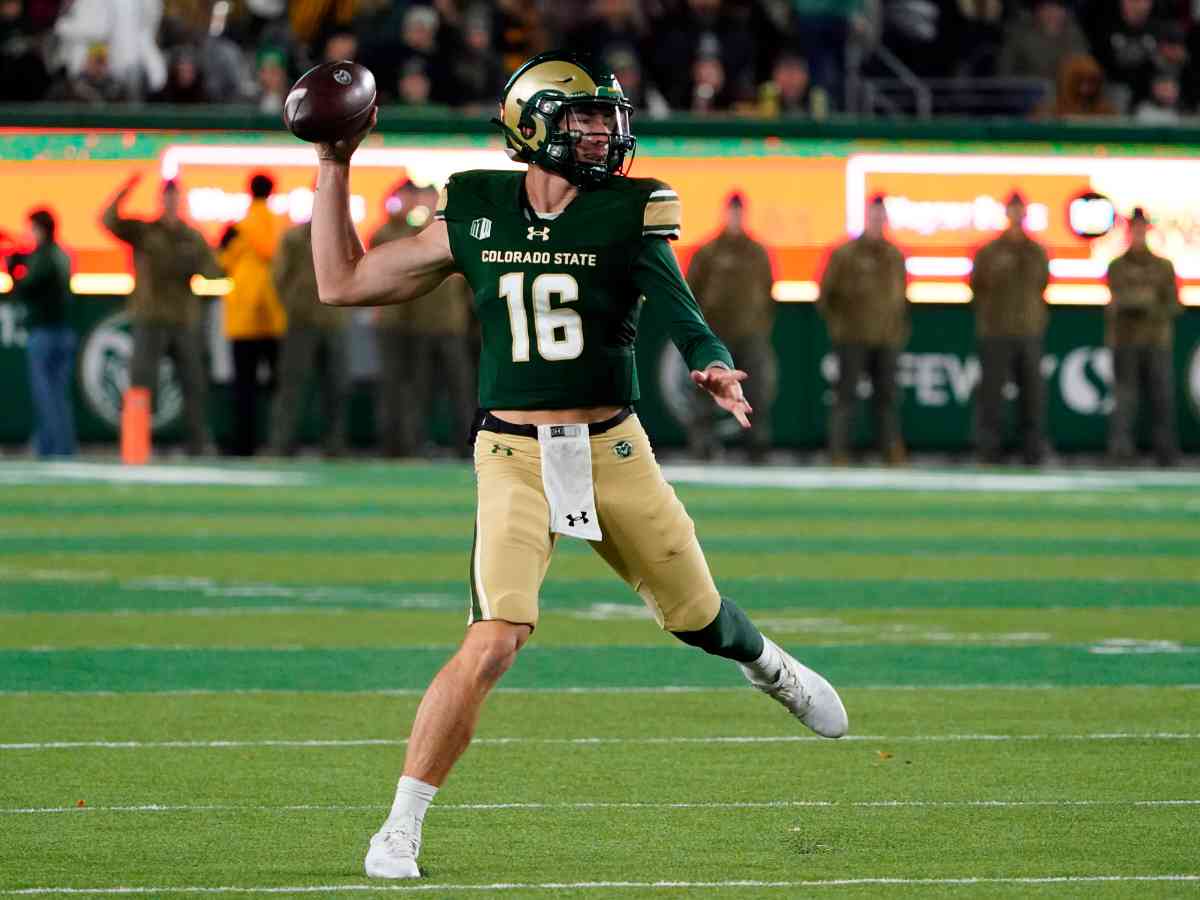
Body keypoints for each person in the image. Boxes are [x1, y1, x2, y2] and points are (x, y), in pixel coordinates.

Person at [310, 50, 848, 880]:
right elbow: (341, 280)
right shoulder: (476, 206)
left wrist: (709, 359)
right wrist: (333, 165)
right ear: (531, 128)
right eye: (584, 118)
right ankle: (400, 824)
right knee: (495, 638)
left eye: (606, 117)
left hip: (612, 447)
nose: (604, 133)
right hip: (512, 453)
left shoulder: (630, 211)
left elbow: (680, 306)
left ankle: (765, 664)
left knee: (698, 617)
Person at [101, 175, 223, 456]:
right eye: (167, 197)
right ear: (161, 200)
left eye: (175, 197)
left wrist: (209, 260)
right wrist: (125, 189)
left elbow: (214, 271)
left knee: (193, 383)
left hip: (183, 319)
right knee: (142, 384)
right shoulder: (145, 231)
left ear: (180, 201)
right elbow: (108, 221)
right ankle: (137, 444)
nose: (171, 202)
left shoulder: (192, 236)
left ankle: (197, 445)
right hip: (150, 317)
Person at [370, 182, 476, 459]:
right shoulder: (410, 235)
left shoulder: (460, 234)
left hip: (453, 326)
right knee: (418, 392)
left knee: (462, 390)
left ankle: (467, 447)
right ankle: (411, 446)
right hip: (418, 327)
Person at [817, 195, 909, 466]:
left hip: (886, 339)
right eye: (874, 216)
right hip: (852, 338)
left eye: (882, 216)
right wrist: (840, 328)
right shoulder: (845, 254)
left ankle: (890, 452)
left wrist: (896, 330)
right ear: (866, 217)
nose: (878, 221)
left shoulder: (894, 256)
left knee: (887, 399)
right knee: (845, 397)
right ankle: (838, 452)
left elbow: (902, 298)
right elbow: (826, 296)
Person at [685, 192, 776, 462]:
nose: (735, 216)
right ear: (726, 213)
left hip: (750, 334)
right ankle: (701, 447)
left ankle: (757, 447)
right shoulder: (708, 251)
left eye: (739, 212)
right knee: (706, 392)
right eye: (732, 211)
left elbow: (768, 293)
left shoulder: (758, 252)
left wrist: (759, 324)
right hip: (715, 335)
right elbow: (691, 293)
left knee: (757, 392)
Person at [969, 192, 1051, 466]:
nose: (1017, 215)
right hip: (996, 331)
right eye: (1012, 210)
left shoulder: (1036, 252)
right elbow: (976, 287)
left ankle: (1032, 451)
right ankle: (988, 450)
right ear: (1007, 213)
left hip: (1028, 330)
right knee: (991, 394)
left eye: (1021, 210)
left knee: (1032, 396)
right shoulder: (989, 252)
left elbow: (1042, 284)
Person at [266, 217, 349, 458]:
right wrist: (294, 306)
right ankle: (281, 445)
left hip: (334, 321)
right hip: (301, 324)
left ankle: (334, 446)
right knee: (291, 386)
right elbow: (278, 277)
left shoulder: (343, 234)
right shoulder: (294, 238)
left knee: (337, 387)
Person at [217, 172, 287, 456]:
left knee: (244, 388)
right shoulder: (278, 224)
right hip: (272, 317)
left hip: (244, 319)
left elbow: (223, 262)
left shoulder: (241, 227)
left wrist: (227, 243)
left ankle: (243, 443)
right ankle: (278, 442)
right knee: (277, 388)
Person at [1105, 207, 1181, 467]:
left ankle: (1166, 453)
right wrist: (1142, 300)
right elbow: (1117, 300)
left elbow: (1173, 304)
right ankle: (1121, 452)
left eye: (1141, 227)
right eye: (1133, 228)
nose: (1138, 232)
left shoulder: (1163, 266)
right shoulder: (1117, 265)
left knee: (1161, 398)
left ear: (1147, 230)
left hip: (1156, 340)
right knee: (1125, 399)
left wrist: (1147, 305)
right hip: (1125, 342)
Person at [7, 209, 76, 457]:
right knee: (57, 394)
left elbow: (30, 288)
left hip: (46, 332)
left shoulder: (45, 256)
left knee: (47, 395)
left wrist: (15, 271)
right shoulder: (61, 254)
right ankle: (56, 446)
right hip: (63, 331)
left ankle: (55, 449)